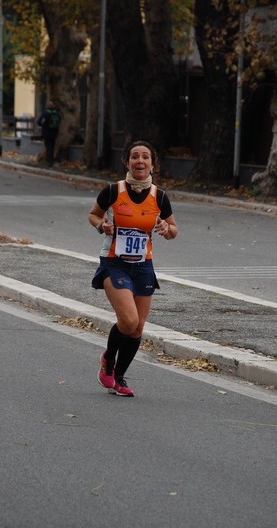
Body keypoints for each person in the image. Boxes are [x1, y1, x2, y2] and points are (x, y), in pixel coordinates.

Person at [88, 140, 178, 397]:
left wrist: (165, 229)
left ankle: (119, 377)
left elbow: (173, 230)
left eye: (145, 157)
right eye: (135, 156)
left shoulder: (159, 196)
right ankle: (108, 358)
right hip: (114, 263)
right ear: (127, 162)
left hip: (143, 266)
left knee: (138, 328)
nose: (140, 161)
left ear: (152, 163)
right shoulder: (113, 191)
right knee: (128, 320)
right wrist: (101, 226)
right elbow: (93, 214)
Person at [36, 100, 61, 167]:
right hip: (55, 132)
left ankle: (49, 161)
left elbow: (39, 122)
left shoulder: (45, 113)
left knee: (48, 147)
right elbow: (59, 120)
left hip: (47, 132)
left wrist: (43, 125)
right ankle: (52, 159)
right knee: (52, 146)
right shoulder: (57, 113)